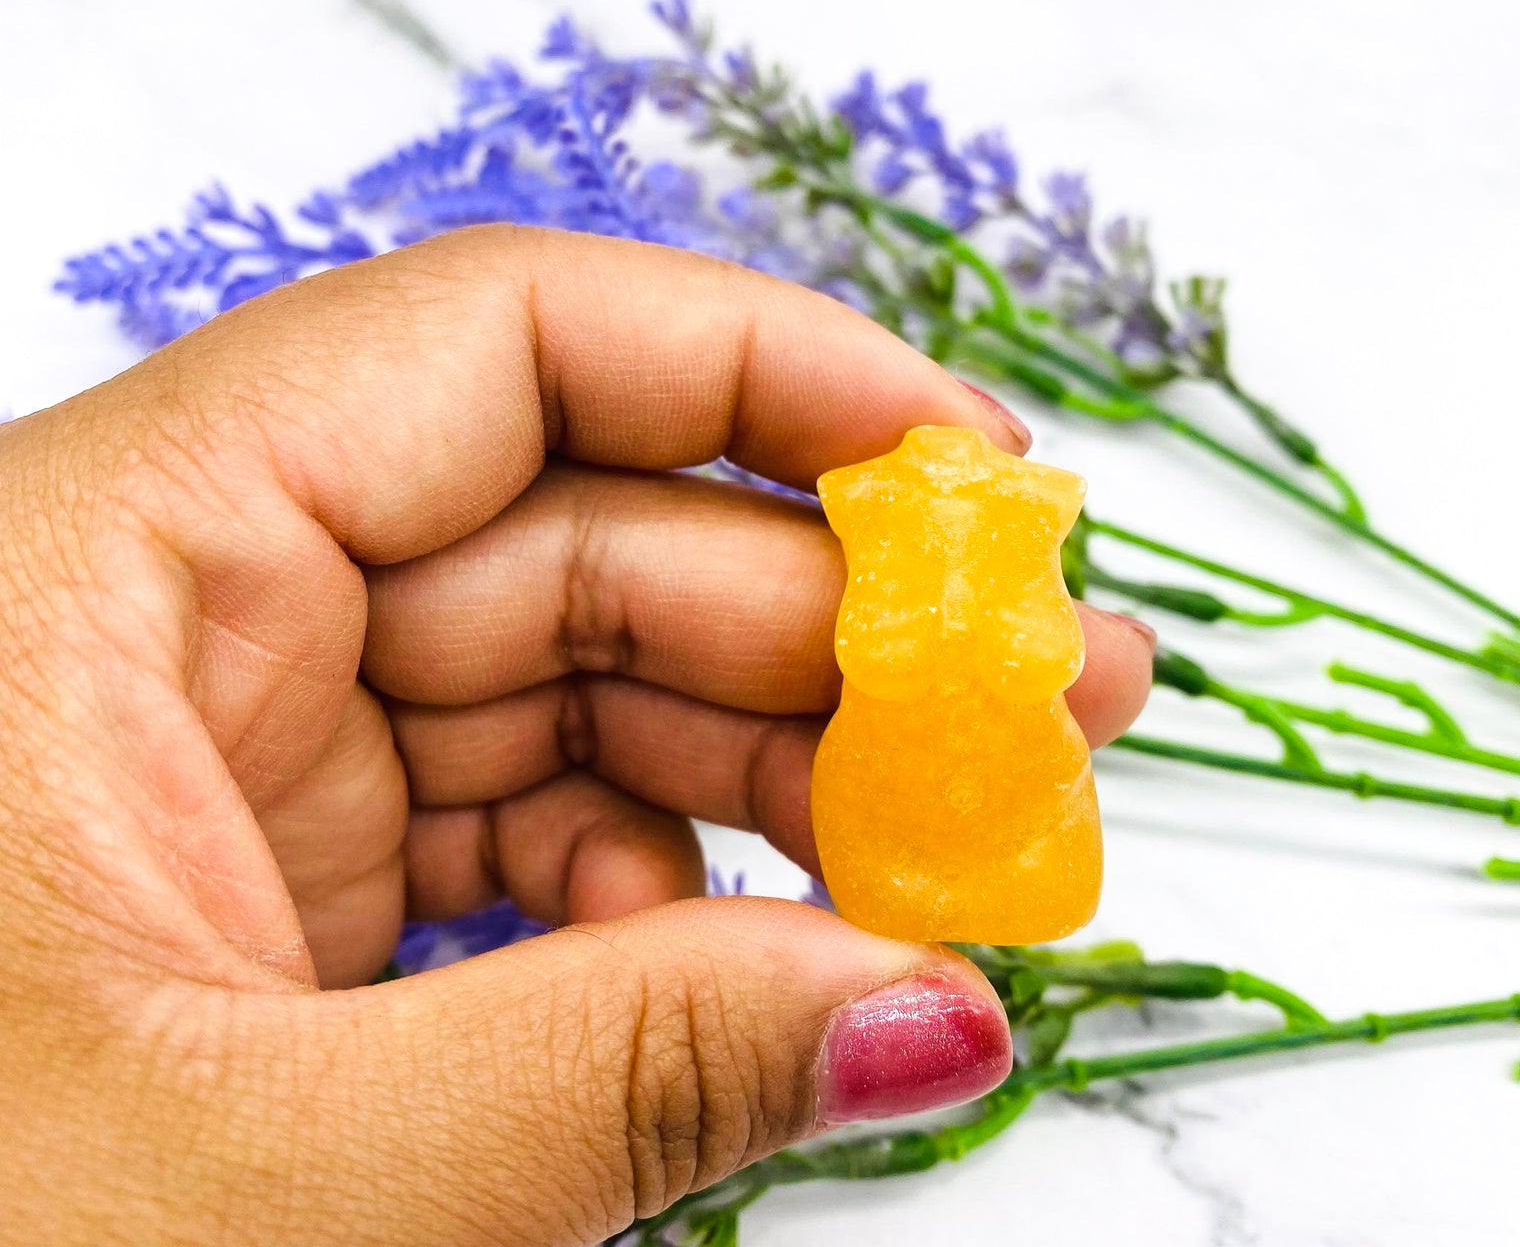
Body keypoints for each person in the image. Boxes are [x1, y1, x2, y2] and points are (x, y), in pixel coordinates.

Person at [0, 227, 1153, 1244]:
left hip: (1008, 785)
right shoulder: (890, 608)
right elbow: (890, 651)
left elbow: (1028, 658)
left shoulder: (1011, 606)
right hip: (893, 779)